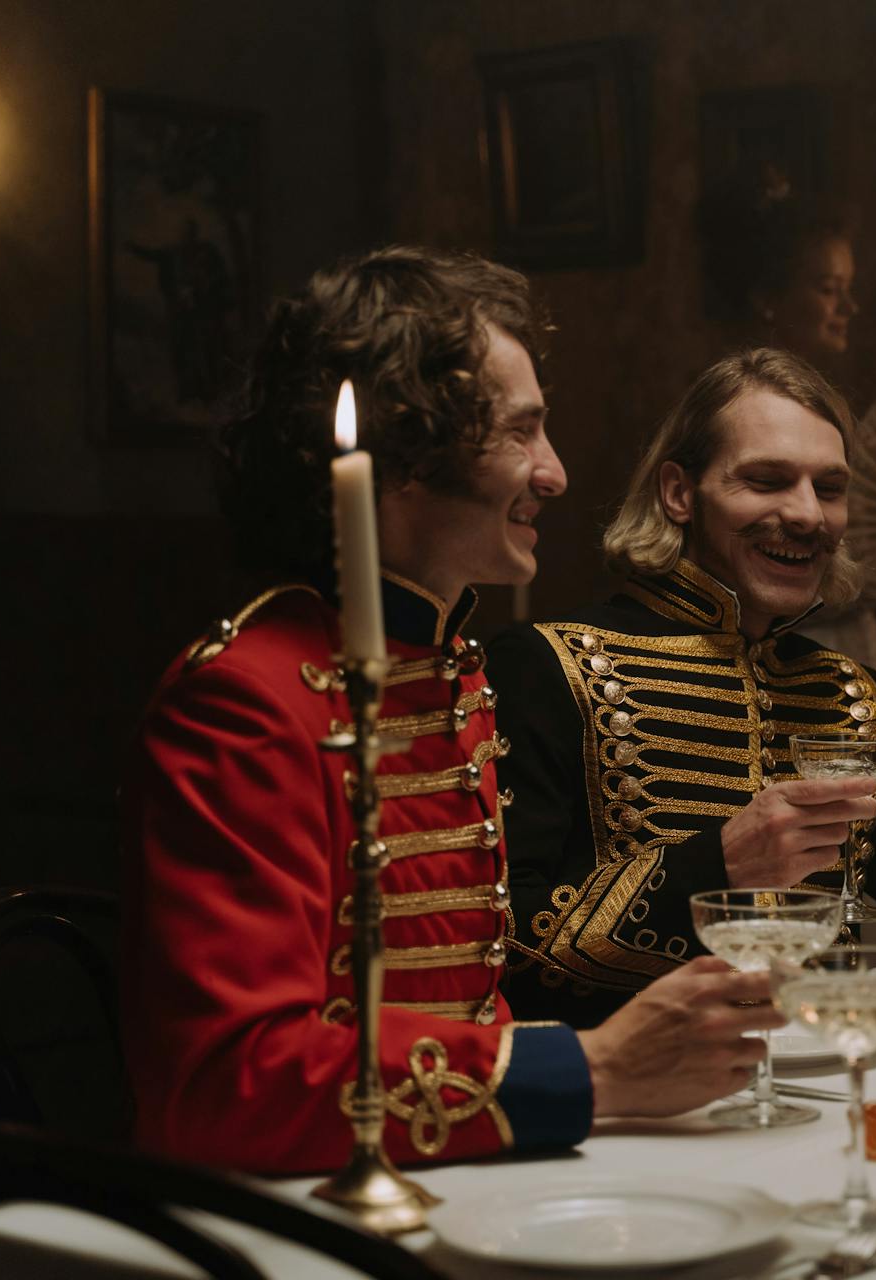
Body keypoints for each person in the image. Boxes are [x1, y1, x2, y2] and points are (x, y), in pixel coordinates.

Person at [122, 248, 779, 1175]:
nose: (553, 473)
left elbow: (460, 1009)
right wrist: (587, 1068)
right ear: (406, 458)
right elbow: (229, 1081)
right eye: (523, 432)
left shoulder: (446, 661)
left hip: (442, 1167)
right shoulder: (245, 700)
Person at [489, 347, 876, 1027]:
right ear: (679, 493)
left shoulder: (852, 698)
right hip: (629, 1096)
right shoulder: (543, 666)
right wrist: (719, 866)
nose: (808, 515)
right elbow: (501, 941)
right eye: (767, 480)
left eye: (829, 488)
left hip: (822, 1076)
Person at [699, 171, 876, 671]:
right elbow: (782, 583)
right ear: (769, 298)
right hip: (781, 660)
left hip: (847, 656)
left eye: (849, 289)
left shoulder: (825, 410)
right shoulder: (730, 415)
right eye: (828, 288)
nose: (849, 307)